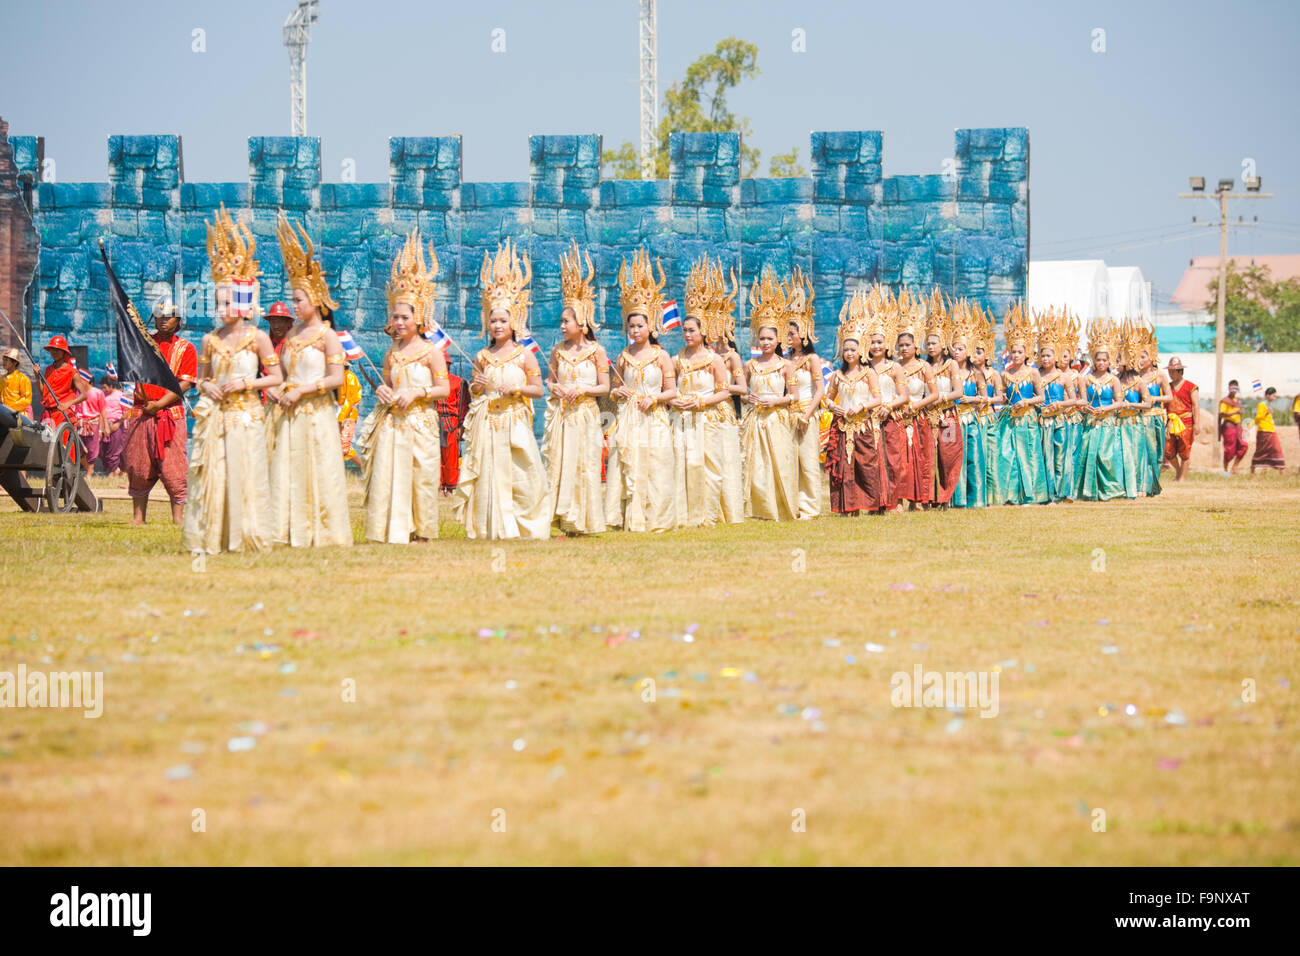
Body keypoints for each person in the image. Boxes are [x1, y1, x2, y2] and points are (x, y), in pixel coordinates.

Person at [182, 206, 283, 553]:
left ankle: (246, 536)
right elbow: (201, 379)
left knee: (247, 475)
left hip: (248, 415)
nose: (222, 308)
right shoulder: (209, 340)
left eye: (228, 301)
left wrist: (246, 384)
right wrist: (206, 386)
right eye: (218, 301)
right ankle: (216, 536)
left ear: (243, 302)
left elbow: (277, 376)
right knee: (217, 475)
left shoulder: (257, 337)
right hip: (218, 418)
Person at [355, 229, 450, 543]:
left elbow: (444, 390)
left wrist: (416, 393)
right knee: (392, 476)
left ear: (418, 316)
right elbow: (386, 387)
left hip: (421, 423)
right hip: (394, 424)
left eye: (404, 317)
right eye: (394, 317)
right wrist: (383, 393)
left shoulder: (431, 352)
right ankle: (397, 529)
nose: (397, 322)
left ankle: (422, 531)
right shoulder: (391, 353)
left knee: (421, 478)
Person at [456, 239, 552, 540]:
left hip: (515, 421)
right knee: (489, 475)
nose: (498, 325)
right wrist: (476, 385)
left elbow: (539, 389)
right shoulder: (482, 357)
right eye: (493, 320)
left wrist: (518, 388)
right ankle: (492, 526)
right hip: (488, 424)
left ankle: (527, 525)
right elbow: (473, 390)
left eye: (503, 320)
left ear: (515, 321)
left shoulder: (525, 355)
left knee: (523, 475)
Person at [268, 211, 352, 547]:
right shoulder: (293, 335)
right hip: (288, 415)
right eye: (293, 298)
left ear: (315, 299)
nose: (294, 303)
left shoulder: (326, 335)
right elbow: (281, 374)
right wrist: (276, 390)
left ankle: (321, 531)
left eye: (299, 299)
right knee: (287, 469)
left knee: (318, 470)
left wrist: (303, 389)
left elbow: (336, 379)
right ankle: (287, 529)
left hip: (316, 414)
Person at [605, 248, 678, 532]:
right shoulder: (623, 355)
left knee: (655, 466)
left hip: (654, 418)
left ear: (651, 326)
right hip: (628, 419)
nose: (635, 330)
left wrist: (654, 398)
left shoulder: (661, 356)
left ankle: (655, 519)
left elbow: (672, 391)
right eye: (631, 325)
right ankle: (626, 518)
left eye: (640, 325)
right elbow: (614, 388)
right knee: (626, 465)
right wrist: (617, 393)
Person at [542, 241, 609, 535]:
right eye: (561, 321)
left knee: (585, 464)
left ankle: (585, 521)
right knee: (559, 463)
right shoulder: (557, 350)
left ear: (582, 321)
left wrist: (582, 390)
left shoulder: (597, 351)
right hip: (563, 416)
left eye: (566, 321)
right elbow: (550, 380)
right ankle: (563, 520)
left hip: (586, 414)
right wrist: (557, 390)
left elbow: (604, 386)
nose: (562, 325)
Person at [121, 298, 195, 525]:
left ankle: (178, 518)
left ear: (178, 320)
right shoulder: (142, 344)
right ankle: (138, 517)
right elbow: (131, 373)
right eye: (160, 316)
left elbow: (185, 383)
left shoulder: (186, 348)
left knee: (174, 467)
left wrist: (160, 404)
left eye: (169, 316)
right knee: (138, 466)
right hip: (142, 412)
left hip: (169, 415)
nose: (164, 321)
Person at [670, 258, 731, 528]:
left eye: (691, 330)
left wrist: (701, 401)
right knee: (684, 464)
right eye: (684, 330)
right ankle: (685, 514)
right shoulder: (676, 358)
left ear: (702, 332)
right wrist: (677, 402)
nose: (687, 334)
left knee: (710, 466)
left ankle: (708, 514)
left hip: (708, 418)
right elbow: (668, 388)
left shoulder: (714, 359)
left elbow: (725, 392)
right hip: (683, 419)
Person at [741, 267, 798, 521]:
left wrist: (776, 400)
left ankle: (781, 507)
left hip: (777, 419)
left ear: (778, 340)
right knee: (757, 464)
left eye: (769, 338)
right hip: (755, 420)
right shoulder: (749, 365)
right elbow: (741, 393)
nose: (765, 342)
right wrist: (748, 398)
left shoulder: (786, 365)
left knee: (779, 463)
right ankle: (759, 509)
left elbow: (794, 396)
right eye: (761, 338)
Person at [825, 289, 887, 515]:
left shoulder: (868, 373)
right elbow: (827, 399)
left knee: (867, 466)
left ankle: (872, 504)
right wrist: (834, 407)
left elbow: (878, 398)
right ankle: (847, 507)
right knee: (844, 466)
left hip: (864, 425)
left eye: (853, 349)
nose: (849, 353)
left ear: (860, 350)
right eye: (846, 349)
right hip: (843, 425)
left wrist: (863, 406)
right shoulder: (837, 375)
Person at [705, 263, 746, 524]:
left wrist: (722, 387)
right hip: (703, 411)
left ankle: (728, 510)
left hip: (724, 411)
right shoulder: (703, 355)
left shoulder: (732, 357)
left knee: (726, 460)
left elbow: (742, 388)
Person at [997, 302, 1049, 504]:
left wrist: (1026, 402)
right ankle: (1011, 495)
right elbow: (1003, 397)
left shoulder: (1033, 372)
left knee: (1029, 456)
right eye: (1013, 351)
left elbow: (1042, 397)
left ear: (1026, 353)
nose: (1015, 355)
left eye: (1019, 352)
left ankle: (1031, 495)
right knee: (1009, 457)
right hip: (1011, 421)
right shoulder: (1005, 374)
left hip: (1028, 420)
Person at [784, 266, 825, 519]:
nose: (788, 337)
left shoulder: (812, 359)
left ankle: (809, 507)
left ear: (804, 334)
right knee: (790, 460)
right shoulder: (785, 359)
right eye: (786, 333)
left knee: (809, 461)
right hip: (789, 412)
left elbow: (821, 389)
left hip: (807, 412)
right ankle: (792, 505)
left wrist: (808, 414)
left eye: (792, 333)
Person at [863, 285, 908, 510]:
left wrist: (888, 407)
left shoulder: (895, 367)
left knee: (894, 460)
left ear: (887, 343)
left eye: (880, 342)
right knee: (871, 460)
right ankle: (875, 501)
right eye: (872, 342)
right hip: (868, 419)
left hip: (891, 417)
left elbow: (904, 395)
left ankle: (895, 501)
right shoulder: (862, 368)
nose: (876, 346)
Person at [893, 291, 939, 510]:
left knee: (921, 458)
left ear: (915, 347)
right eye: (900, 345)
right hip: (899, 419)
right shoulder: (894, 368)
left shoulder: (924, 367)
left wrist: (916, 406)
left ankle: (919, 500)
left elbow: (935, 394)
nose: (904, 349)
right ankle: (899, 500)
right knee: (901, 460)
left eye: (907, 345)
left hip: (920, 418)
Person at [1076, 317, 1125, 501]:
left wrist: (1105, 409)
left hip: (1107, 422)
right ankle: (1089, 491)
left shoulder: (1114, 380)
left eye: (1105, 360)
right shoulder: (1085, 379)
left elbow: (1119, 402)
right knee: (1089, 455)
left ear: (1109, 361)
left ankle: (1109, 490)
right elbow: (1082, 401)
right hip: (1090, 421)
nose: (1101, 363)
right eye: (1098, 359)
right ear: (1094, 361)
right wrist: (1087, 408)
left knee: (1105, 456)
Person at [923, 290, 963, 508]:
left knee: (947, 456)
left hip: (947, 416)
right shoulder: (924, 366)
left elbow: (959, 392)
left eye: (934, 343)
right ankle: (930, 497)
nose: (930, 347)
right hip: (928, 418)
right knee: (929, 457)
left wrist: (940, 398)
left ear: (943, 343)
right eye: (927, 343)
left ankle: (946, 497)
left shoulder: (951, 365)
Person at [1034, 307, 1077, 502]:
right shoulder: (1036, 375)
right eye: (1042, 356)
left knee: (1061, 456)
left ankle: (1063, 492)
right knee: (1045, 456)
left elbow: (1074, 400)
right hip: (1042, 421)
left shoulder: (1064, 377)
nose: (1045, 359)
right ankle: (1048, 493)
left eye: (1049, 355)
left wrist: (1059, 405)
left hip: (1060, 419)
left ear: (1055, 356)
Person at [948, 300, 987, 509]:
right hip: (950, 420)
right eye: (954, 347)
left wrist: (970, 400)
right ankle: (954, 499)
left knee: (973, 458)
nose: (957, 351)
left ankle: (976, 499)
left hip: (971, 419)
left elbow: (985, 398)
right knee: (951, 458)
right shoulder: (948, 371)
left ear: (968, 350)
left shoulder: (976, 373)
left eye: (961, 348)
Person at [969, 305, 1006, 506]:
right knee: (974, 458)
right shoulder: (966, 373)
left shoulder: (994, 374)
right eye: (972, 350)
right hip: (970, 417)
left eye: (979, 351)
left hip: (988, 418)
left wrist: (984, 400)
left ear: (988, 353)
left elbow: (1000, 397)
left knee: (990, 457)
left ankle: (993, 496)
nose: (975, 354)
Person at [1131, 324, 1168, 497]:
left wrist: (1154, 399)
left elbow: (1170, 397)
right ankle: (1141, 486)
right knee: (1140, 452)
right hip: (1138, 418)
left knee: (1155, 453)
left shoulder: (1160, 376)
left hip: (1155, 418)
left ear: (1151, 358)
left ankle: (1153, 485)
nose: (1140, 360)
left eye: (1143, 356)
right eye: (1138, 356)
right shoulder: (1135, 377)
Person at [38, 335, 89, 428]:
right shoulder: (48, 369)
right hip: (47, 415)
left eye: (57, 349)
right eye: (52, 349)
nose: (54, 352)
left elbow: (84, 395)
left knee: (63, 442)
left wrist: (68, 403)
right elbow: (44, 394)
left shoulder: (72, 372)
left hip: (63, 415)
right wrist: (37, 376)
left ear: (64, 352)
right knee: (44, 441)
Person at [1164, 357, 1198, 481]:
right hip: (1171, 422)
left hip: (1186, 422)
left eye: (1173, 371)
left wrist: (1196, 424)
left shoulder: (1191, 387)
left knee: (1185, 449)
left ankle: (1182, 478)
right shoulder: (1167, 387)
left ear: (1180, 371)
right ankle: (1179, 471)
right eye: (1170, 371)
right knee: (1168, 450)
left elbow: (1195, 406)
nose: (1171, 374)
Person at [438, 368, 469, 493]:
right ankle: (438, 486)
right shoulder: (429, 381)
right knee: (435, 456)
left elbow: (463, 405)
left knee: (451, 456)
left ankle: (451, 487)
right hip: (434, 420)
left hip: (451, 422)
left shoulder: (458, 382)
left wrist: (461, 426)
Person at [74, 372, 107, 471]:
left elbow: (102, 410)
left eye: (80, 380)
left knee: (92, 449)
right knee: (78, 448)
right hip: (79, 423)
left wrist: (103, 429)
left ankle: (89, 473)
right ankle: (88, 468)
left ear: (86, 381)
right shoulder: (76, 393)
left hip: (93, 424)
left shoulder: (98, 393)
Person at [98, 368, 128, 476]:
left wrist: (118, 423)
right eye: (102, 388)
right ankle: (117, 470)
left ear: (111, 386)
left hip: (117, 427)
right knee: (102, 451)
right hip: (105, 426)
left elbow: (127, 412)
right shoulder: (102, 396)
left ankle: (113, 472)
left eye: (105, 387)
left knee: (114, 451)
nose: (104, 390)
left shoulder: (120, 396)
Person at [1250, 388, 1286, 473]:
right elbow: (1258, 418)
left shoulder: (1268, 405)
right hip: (1264, 431)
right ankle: (1253, 468)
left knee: (1276, 449)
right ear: (1268, 395)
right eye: (1273, 395)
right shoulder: (1262, 405)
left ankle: (1281, 470)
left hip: (1270, 431)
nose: (1275, 397)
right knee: (1261, 451)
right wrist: (1266, 413)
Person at [1218, 379, 1248, 474]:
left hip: (1238, 425)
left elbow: (1240, 412)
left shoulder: (1238, 401)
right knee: (1229, 449)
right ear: (1229, 388)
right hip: (1229, 425)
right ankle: (1225, 470)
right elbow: (1221, 414)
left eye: (1236, 388)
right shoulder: (1225, 401)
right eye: (1232, 388)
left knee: (1244, 445)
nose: (1234, 390)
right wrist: (1235, 412)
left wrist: (1240, 412)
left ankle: (1234, 467)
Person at [337, 361, 362, 463]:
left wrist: (340, 418)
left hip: (348, 413)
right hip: (337, 410)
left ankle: (364, 469)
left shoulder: (350, 377)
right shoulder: (337, 377)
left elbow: (350, 401)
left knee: (344, 448)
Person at [1, 348, 32, 417]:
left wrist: (10, 407)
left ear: (14, 362)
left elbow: (26, 400)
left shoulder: (23, 378)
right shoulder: (2, 378)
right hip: (4, 415)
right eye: (3, 359)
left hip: (18, 416)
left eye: (6, 360)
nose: (4, 362)